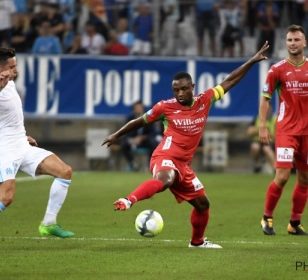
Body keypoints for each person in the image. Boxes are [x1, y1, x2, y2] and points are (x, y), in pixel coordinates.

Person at [102, 42, 270, 248]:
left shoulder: (204, 100)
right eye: (176, 90)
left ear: (192, 87)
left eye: (183, 89)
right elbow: (140, 121)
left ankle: (197, 242)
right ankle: (129, 200)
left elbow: (230, 80)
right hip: (164, 156)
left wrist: (251, 61)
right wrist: (117, 134)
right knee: (166, 179)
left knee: (203, 205)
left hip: (184, 165)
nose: (180, 93)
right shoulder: (164, 107)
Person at [0, 48, 74, 249]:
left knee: (64, 171)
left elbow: (11, 116)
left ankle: (48, 223)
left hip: (22, 145)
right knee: (6, 198)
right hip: (3, 149)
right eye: (12, 67)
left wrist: (23, 136)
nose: (16, 70)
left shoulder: (12, 85)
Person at [258, 25, 308, 237]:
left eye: (296, 40)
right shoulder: (277, 69)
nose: (293, 44)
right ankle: (267, 217)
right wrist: (262, 126)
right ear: (286, 43)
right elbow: (265, 99)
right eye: (289, 40)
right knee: (283, 176)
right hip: (286, 130)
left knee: (305, 179)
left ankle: (294, 223)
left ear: (304, 43)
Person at [119, 101, 161, 171]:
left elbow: (152, 133)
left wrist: (142, 138)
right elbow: (126, 132)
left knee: (154, 144)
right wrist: (133, 139)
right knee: (123, 144)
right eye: (136, 107)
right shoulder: (130, 119)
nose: (138, 109)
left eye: (140, 107)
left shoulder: (149, 118)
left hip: (145, 141)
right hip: (133, 140)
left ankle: (150, 165)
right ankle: (132, 163)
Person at [246, 103, 276, 174]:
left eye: (268, 108)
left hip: (270, 142)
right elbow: (249, 132)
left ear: (271, 109)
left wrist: (268, 133)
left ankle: (275, 168)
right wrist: (260, 129)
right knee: (254, 147)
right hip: (258, 141)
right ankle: (257, 165)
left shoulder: (275, 119)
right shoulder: (257, 119)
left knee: (267, 149)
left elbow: (277, 135)